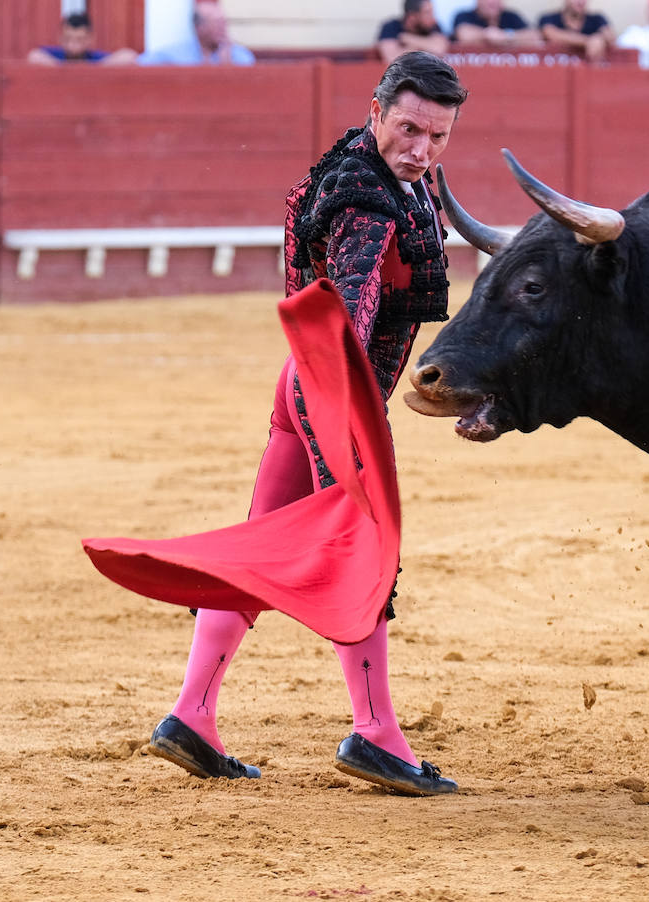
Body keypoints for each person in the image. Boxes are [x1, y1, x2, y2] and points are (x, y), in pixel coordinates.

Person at [143, 50, 466, 796]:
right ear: (377, 110)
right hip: (330, 391)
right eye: (410, 129)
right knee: (362, 556)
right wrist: (345, 417)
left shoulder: (366, 167)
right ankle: (376, 732)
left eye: (439, 137)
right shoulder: (368, 198)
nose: (422, 149)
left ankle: (192, 715)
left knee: (259, 549)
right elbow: (348, 303)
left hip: (300, 385)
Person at [137, 1, 255, 65]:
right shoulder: (177, 53)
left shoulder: (237, 54)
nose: (222, 29)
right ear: (199, 27)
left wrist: (227, 65)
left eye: (223, 23)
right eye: (216, 24)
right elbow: (141, 63)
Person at [27, 13, 138, 65]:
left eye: (79, 39)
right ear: (60, 38)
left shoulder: (94, 58)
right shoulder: (56, 55)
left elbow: (130, 56)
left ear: (90, 39)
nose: (73, 45)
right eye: (68, 39)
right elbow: (34, 56)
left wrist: (90, 69)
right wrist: (63, 69)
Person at [539, 0, 616, 60]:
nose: (580, 2)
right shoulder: (549, 18)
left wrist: (600, 38)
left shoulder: (597, 19)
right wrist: (588, 41)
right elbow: (550, 34)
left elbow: (610, 37)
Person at [378, 0, 450, 62]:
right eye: (427, 13)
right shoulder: (391, 27)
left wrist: (409, 39)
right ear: (412, 16)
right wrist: (427, 46)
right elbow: (391, 58)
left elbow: (439, 49)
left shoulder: (433, 25)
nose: (433, 17)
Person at [452, 0, 540, 46]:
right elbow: (463, 34)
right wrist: (486, 35)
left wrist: (507, 35)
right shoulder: (464, 15)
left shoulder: (511, 16)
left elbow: (534, 35)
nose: (492, 2)